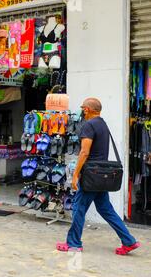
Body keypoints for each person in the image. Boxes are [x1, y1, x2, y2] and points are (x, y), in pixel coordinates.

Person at [57, 98, 140, 255]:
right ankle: (129, 241)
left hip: (90, 177)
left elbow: (84, 152)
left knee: (78, 208)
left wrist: (75, 175)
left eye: (83, 108)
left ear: (87, 110)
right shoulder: (103, 124)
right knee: (106, 209)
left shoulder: (88, 125)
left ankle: (73, 243)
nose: (82, 111)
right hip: (101, 176)